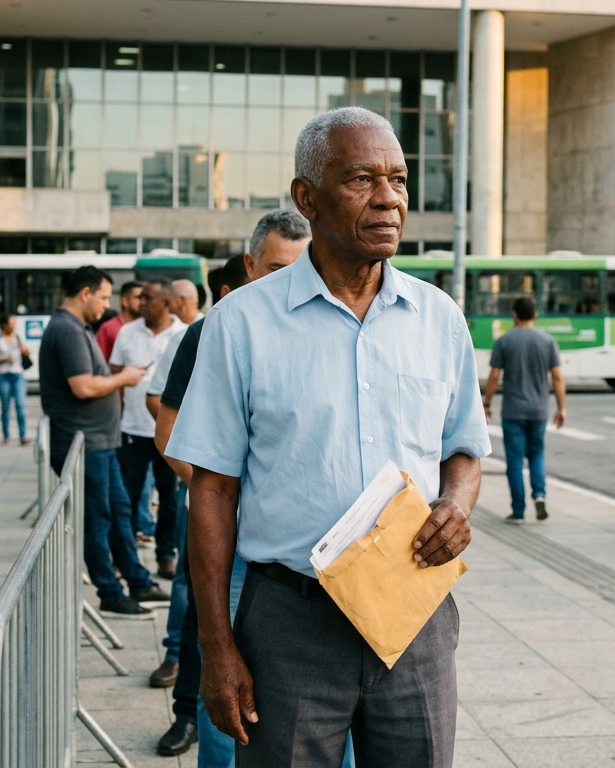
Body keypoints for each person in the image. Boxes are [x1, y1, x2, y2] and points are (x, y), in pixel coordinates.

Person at [167, 107, 491, 767]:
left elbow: (464, 449)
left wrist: (456, 505)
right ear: (306, 197)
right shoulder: (240, 324)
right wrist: (216, 647)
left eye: (398, 180)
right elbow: (213, 491)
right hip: (291, 623)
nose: (388, 199)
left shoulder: (439, 318)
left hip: (414, 613)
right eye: (362, 180)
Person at [149, 212, 310, 760]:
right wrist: (224, 501)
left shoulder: (324, 328)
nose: (291, 280)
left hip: (310, 554)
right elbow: (168, 432)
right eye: (277, 267)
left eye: (303, 267)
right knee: (225, 676)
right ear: (250, 265)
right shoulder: (216, 330)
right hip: (234, 543)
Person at [38, 266, 168, 615]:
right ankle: (110, 592)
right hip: (83, 443)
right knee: (98, 519)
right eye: (103, 297)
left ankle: (138, 582)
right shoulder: (68, 330)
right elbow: (83, 386)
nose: (106, 304)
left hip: (99, 442)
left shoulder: (77, 328)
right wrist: (125, 377)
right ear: (85, 293)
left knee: (119, 511)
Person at [110, 279, 188, 579]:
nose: (140, 303)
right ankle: (125, 558)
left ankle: (166, 555)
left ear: (166, 303)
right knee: (127, 498)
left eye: (148, 298)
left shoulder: (184, 334)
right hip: (133, 429)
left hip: (170, 432)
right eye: (140, 297)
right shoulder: (127, 332)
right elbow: (115, 370)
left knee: (168, 499)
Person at [480, 296, 566, 523]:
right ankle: (539, 494)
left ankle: (518, 510)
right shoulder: (547, 341)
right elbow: (557, 377)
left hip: (513, 411)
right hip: (539, 411)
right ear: (535, 314)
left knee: (515, 460)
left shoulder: (504, 341)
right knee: (537, 454)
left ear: (514, 315)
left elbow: (494, 376)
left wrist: (487, 403)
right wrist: (562, 408)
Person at [0, 314, 31, 445]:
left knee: (20, 404)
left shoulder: (17, 337)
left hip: (18, 374)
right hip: (3, 375)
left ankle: (23, 435)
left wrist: (25, 352)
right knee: (5, 406)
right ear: (4, 325)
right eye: (11, 323)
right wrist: (4, 359)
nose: (14, 326)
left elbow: (26, 352)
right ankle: (6, 435)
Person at [98, 280, 143, 360]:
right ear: (124, 301)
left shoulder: (148, 327)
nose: (142, 302)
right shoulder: (108, 328)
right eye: (138, 298)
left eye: (145, 298)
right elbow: (100, 360)